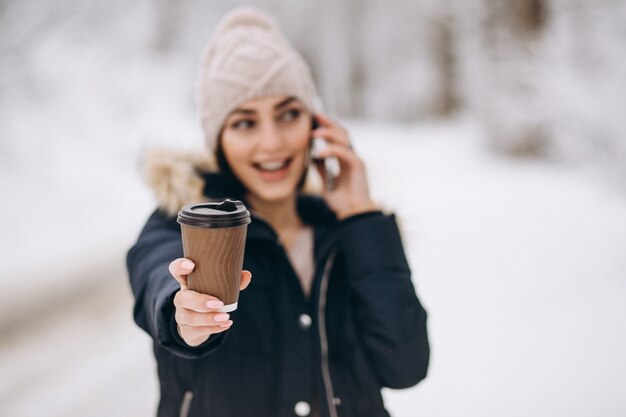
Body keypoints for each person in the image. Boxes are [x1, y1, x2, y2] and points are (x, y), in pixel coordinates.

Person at [127, 7, 429, 417]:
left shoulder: (348, 233)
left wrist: (360, 215)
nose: (271, 143)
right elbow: (158, 277)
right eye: (244, 123)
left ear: (315, 124)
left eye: (288, 114)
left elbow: (405, 365)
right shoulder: (183, 227)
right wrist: (183, 315)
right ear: (218, 141)